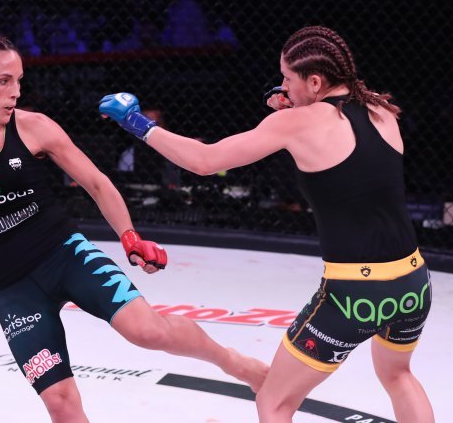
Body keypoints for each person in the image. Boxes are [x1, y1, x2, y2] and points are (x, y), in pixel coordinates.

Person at [0, 24, 268, 423]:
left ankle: (234, 362)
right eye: (3, 81)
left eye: (19, 81)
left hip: (65, 255)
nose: (15, 92)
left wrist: (129, 236)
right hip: (12, 287)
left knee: (147, 331)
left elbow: (97, 182)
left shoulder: (33, 126)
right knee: (60, 403)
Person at [100, 25, 434, 423]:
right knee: (398, 375)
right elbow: (347, 158)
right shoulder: (382, 111)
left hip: (355, 292)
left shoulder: (297, 124)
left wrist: (137, 123)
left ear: (315, 81)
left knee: (273, 402)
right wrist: (297, 107)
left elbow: (205, 161)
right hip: (413, 282)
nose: (282, 87)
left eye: (287, 78)